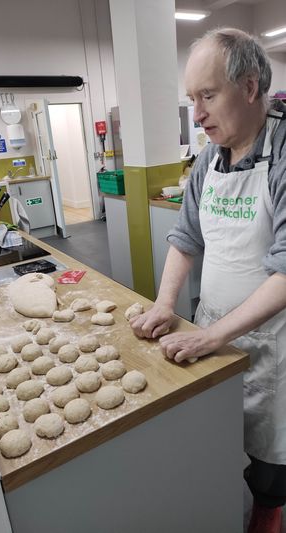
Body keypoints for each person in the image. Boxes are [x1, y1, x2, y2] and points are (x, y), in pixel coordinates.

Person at [130, 28, 286, 533]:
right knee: (215, 441)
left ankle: (269, 513)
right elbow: (185, 237)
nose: (196, 115)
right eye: (191, 99)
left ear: (249, 87)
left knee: (270, 460)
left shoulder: (283, 156)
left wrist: (211, 336)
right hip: (212, 332)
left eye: (207, 96)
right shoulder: (209, 159)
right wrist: (164, 303)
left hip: (275, 347)